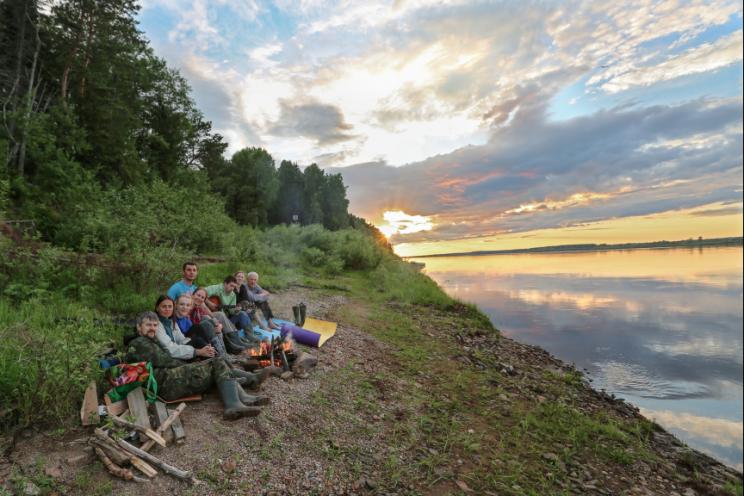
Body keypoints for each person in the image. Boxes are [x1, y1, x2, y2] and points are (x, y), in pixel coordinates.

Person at [125, 311, 266, 419]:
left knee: (215, 363)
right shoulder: (140, 343)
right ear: (139, 327)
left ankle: (243, 396)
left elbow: (168, 360)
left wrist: (194, 363)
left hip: (168, 379)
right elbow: (166, 361)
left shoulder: (149, 341)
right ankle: (235, 402)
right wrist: (191, 364)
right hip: (164, 385)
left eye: (155, 325)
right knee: (215, 362)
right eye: (148, 325)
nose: (152, 328)